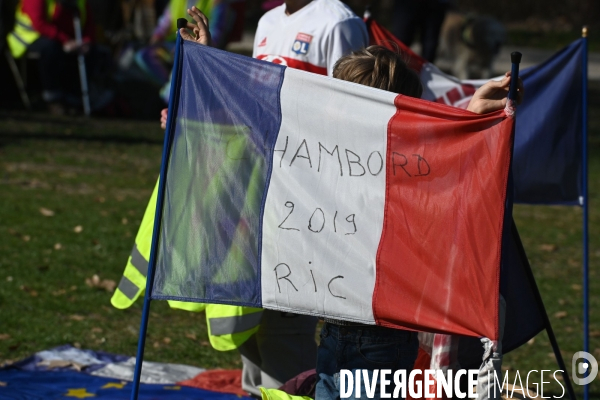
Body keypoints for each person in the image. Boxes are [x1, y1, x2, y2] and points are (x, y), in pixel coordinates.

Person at [121, 2, 368, 397]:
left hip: (301, 203)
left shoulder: (337, 22)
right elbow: (256, 103)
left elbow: (353, 115)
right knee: (251, 325)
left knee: (284, 336)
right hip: (254, 195)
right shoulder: (268, 22)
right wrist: (202, 100)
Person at [313, 45, 521, 400]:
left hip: (382, 344)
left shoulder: (402, 172)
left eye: (339, 96)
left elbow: (451, 179)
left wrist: (474, 116)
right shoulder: (328, 157)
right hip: (331, 334)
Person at [6, 0, 109, 115]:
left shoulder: (80, 2)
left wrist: (86, 42)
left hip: (65, 40)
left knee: (92, 51)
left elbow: (89, 23)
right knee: (51, 49)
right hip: (29, 39)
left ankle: (74, 99)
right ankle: (53, 99)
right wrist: (66, 40)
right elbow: (39, 23)